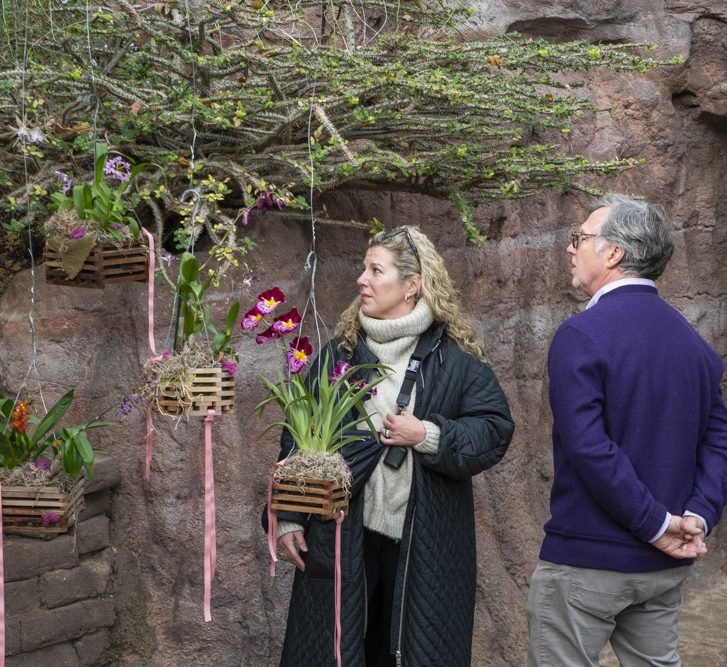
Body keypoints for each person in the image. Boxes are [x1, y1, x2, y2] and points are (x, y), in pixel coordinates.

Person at [264, 226, 514, 666]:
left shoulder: (455, 357)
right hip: (343, 532)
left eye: (375, 270)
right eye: (364, 269)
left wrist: (427, 435)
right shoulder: (341, 352)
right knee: (335, 649)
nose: (361, 279)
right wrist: (288, 516)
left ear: (412, 285)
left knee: (406, 650)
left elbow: (494, 430)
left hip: (425, 540)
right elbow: (297, 436)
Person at [526, 194, 727, 667]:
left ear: (614, 253)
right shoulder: (695, 346)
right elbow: (719, 440)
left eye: (580, 238)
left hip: (587, 561)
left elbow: (590, 449)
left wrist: (656, 526)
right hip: (664, 566)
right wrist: (697, 515)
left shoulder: (582, 335)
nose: (571, 249)